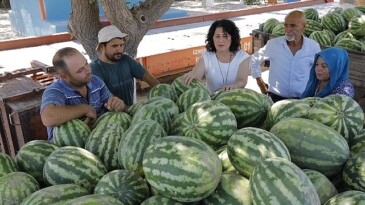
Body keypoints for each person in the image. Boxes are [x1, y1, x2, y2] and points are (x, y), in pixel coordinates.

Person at [40, 47, 126, 142]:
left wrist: (118, 105)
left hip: (94, 143)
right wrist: (84, 109)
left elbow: (113, 103)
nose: (88, 70)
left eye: (86, 63)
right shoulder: (55, 91)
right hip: (65, 151)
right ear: (64, 76)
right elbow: (48, 117)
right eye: (80, 70)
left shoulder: (95, 81)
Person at [250, 10, 321, 102]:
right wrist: (260, 82)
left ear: (304, 26)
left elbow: (319, 71)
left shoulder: (313, 47)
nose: (288, 29)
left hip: (302, 99)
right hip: (276, 98)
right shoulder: (274, 44)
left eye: (293, 26)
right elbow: (254, 59)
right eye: (285, 25)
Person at [90, 25, 159, 106]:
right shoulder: (95, 68)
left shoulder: (126, 60)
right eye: (114, 46)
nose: (119, 49)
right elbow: (108, 97)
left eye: (121, 45)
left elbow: (147, 76)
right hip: (110, 115)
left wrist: (163, 90)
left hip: (129, 112)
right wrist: (129, 111)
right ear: (102, 47)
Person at [182, 19, 251, 94]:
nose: (221, 40)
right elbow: (196, 74)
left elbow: (242, 81)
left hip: (234, 100)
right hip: (212, 102)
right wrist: (192, 75)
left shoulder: (242, 57)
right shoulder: (207, 56)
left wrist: (233, 86)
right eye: (217, 36)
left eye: (225, 36)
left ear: (232, 38)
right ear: (212, 38)